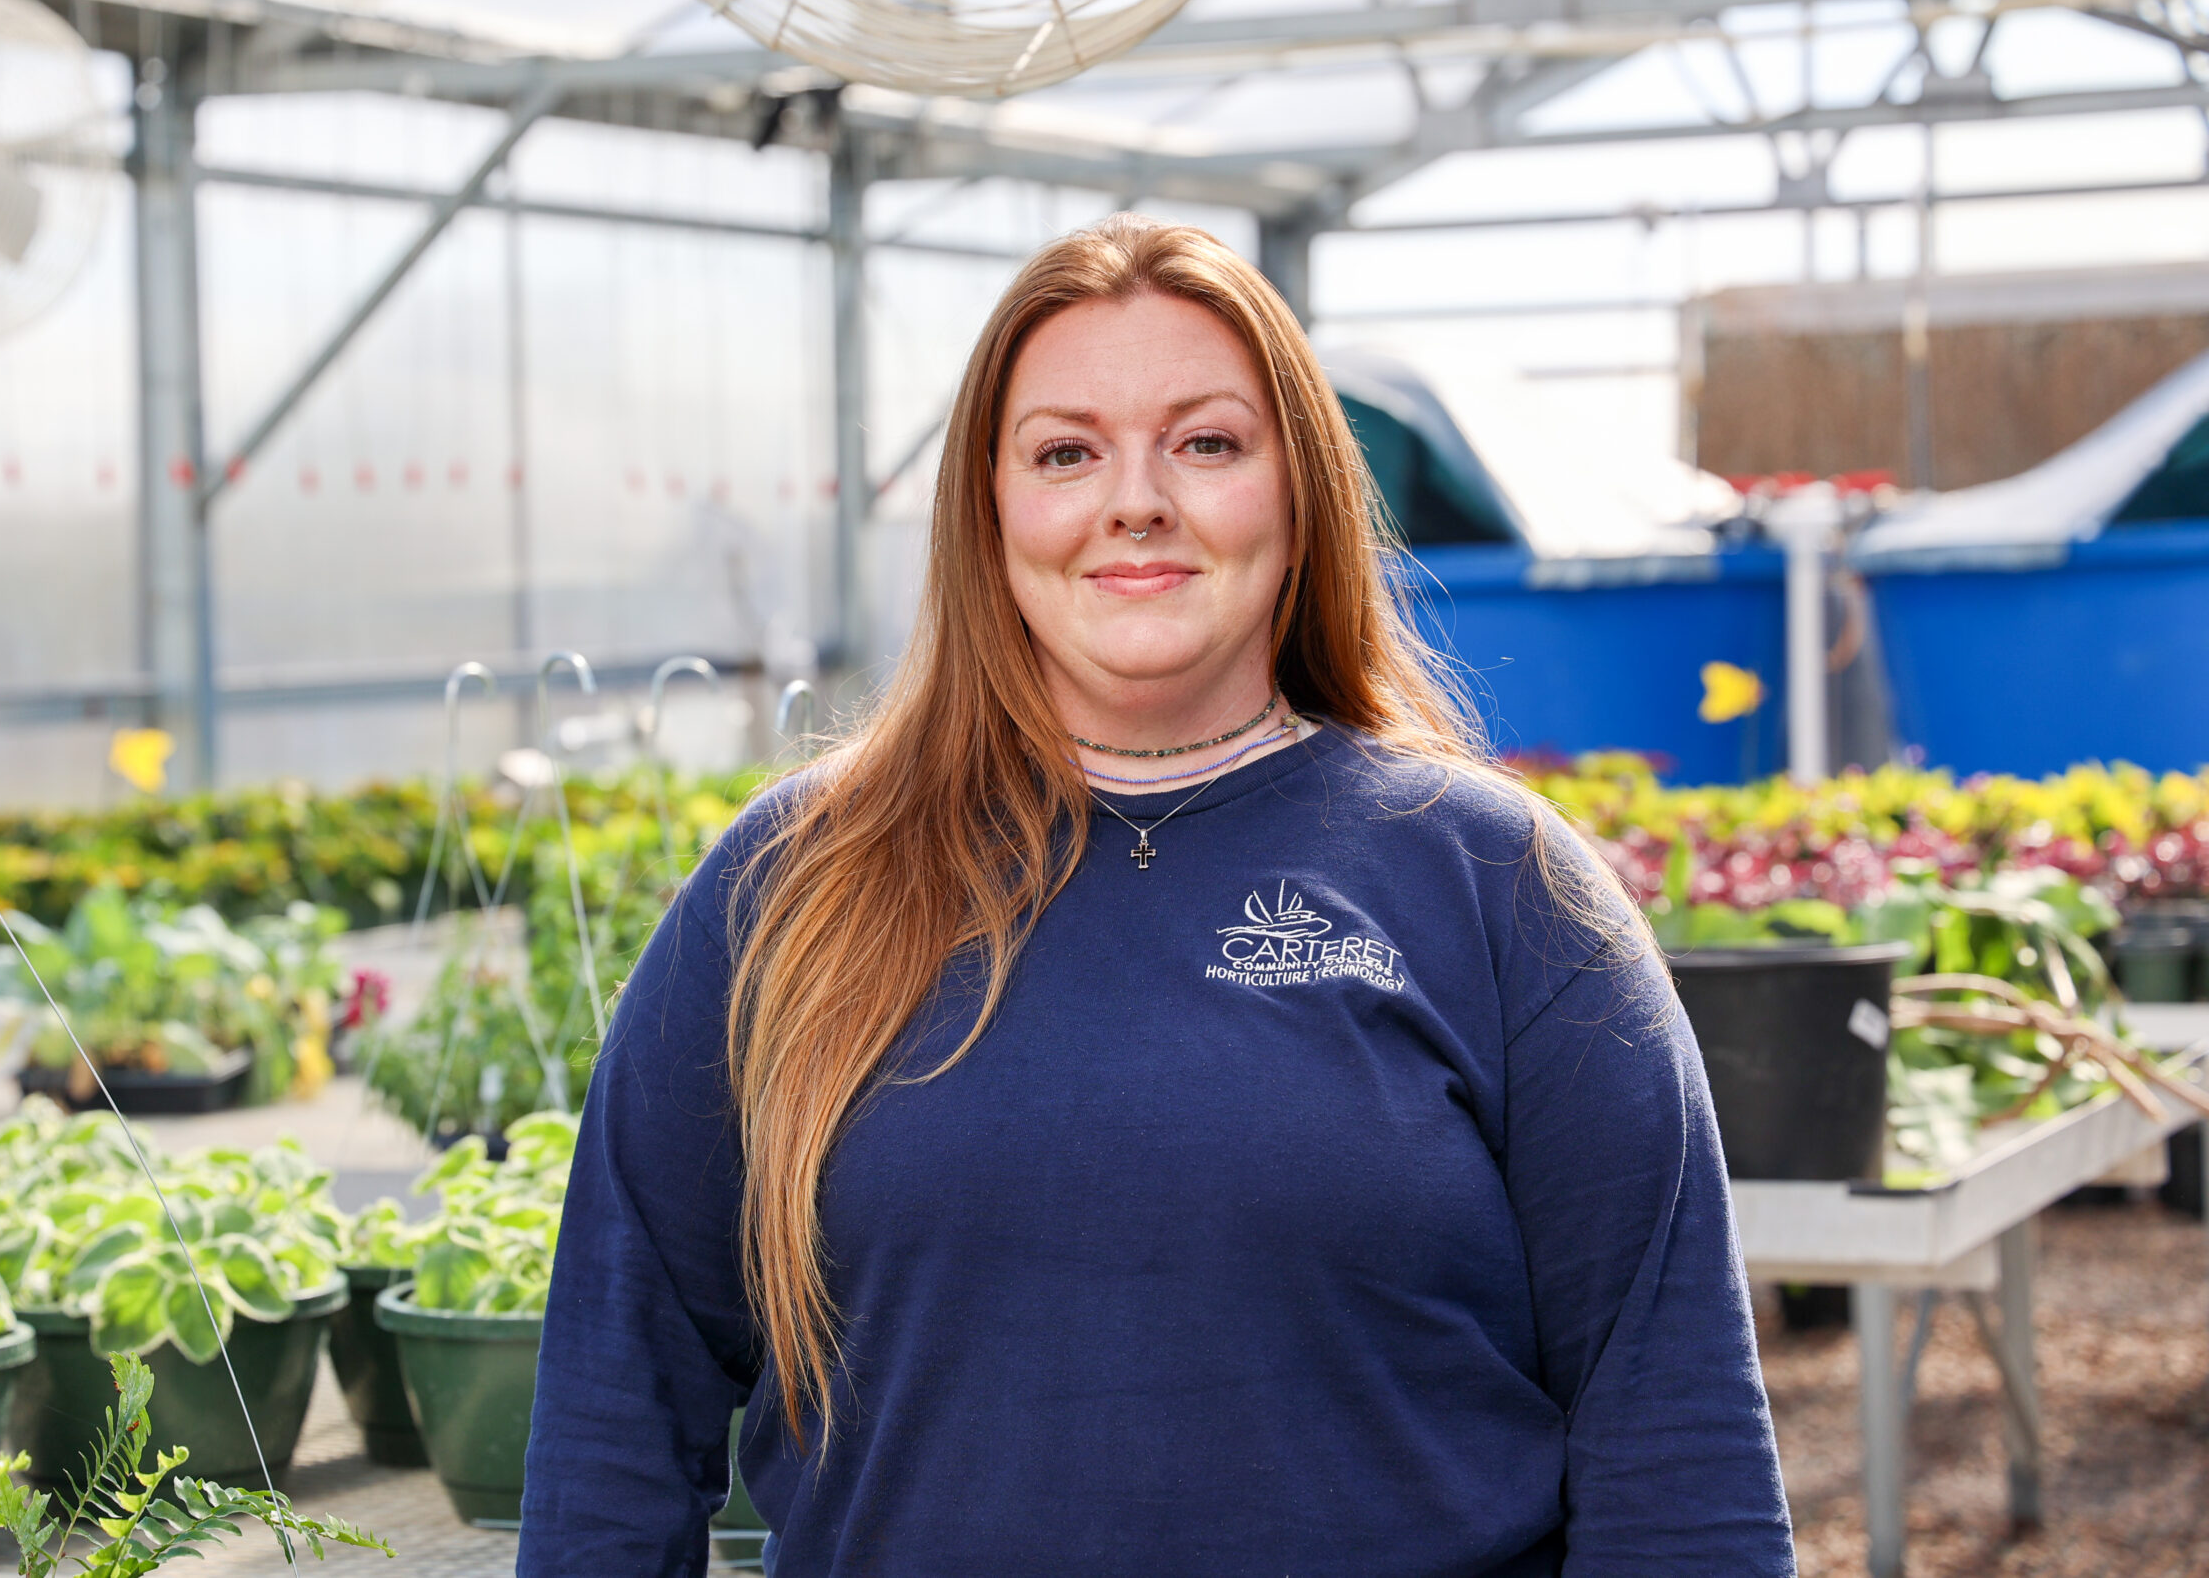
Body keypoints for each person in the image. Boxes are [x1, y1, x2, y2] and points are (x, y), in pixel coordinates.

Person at [516, 215, 1792, 1577]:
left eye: (1207, 443)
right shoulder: (796, 885)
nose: (1137, 501)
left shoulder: (1501, 887)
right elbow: (616, 1405)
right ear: (988, 508)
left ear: (1298, 497)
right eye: (1067, 452)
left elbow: (1678, 1445)